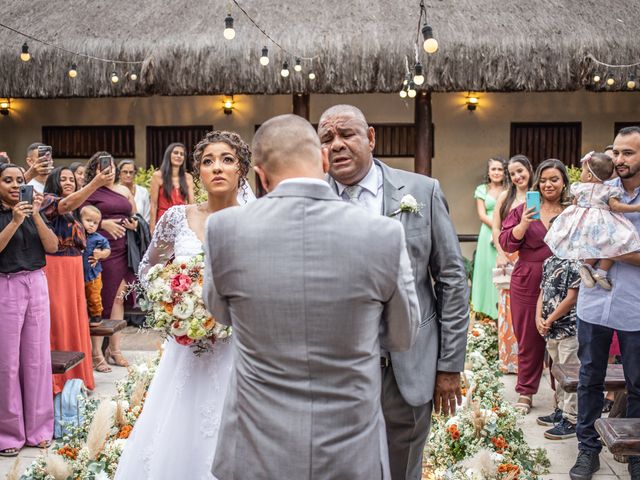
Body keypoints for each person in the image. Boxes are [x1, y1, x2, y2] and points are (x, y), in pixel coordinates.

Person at [205, 114, 419, 480]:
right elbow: (402, 335)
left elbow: (221, 311)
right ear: (322, 160)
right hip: (349, 449)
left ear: (260, 173)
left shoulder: (225, 229)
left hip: (256, 447)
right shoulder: (383, 234)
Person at [319, 104, 469, 480]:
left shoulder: (422, 191)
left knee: (402, 469)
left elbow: (450, 279)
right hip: (333, 371)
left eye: (346, 134)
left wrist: (449, 366)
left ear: (370, 137)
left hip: (405, 368)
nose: (337, 145)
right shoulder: (309, 201)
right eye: (327, 138)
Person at [114, 130, 253, 479]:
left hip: (241, 347)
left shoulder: (258, 218)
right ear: (199, 173)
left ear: (241, 170)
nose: (217, 168)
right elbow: (148, 269)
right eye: (208, 162)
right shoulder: (177, 217)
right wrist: (172, 305)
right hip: (186, 348)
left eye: (227, 160)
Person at [570, 126, 640, 480]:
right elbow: (579, 243)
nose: (619, 159)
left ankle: (637, 456)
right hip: (594, 302)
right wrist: (621, 250)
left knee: (638, 384)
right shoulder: (598, 190)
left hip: (635, 307)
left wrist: (610, 249)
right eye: (616, 152)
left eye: (628, 153)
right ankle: (587, 451)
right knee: (589, 379)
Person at [499, 159, 569, 414]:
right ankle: (526, 392)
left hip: (563, 282)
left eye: (555, 179)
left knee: (563, 339)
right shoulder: (523, 210)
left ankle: (561, 395)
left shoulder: (571, 211)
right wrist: (524, 224)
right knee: (528, 337)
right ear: (537, 182)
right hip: (528, 278)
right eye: (544, 179)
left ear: (563, 183)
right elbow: (507, 244)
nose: (549, 184)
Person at [0, 163, 58, 456]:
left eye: (19, 180)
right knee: (7, 363)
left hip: (36, 283)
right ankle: (8, 435)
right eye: (7, 180)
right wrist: (13, 221)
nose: (14, 185)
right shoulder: (5, 216)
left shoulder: (34, 213)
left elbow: (53, 246)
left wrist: (34, 215)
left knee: (37, 359)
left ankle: (39, 430)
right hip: (4, 286)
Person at [41, 165, 113, 393]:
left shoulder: (77, 208)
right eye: (63, 178)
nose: (69, 181)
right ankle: (58, 380)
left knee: (75, 317)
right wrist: (96, 183)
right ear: (54, 181)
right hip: (56, 265)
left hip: (74, 266)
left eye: (71, 178)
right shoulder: (48, 200)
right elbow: (65, 205)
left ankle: (78, 376)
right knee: (60, 318)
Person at [545, 151, 640, 290]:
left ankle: (587, 265)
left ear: (589, 176)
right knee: (612, 246)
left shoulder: (579, 187)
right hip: (602, 223)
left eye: (583, 171)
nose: (581, 174)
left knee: (588, 246)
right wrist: (635, 208)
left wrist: (567, 222)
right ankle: (601, 272)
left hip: (584, 225)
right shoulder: (609, 190)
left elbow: (575, 204)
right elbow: (616, 207)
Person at [83, 152, 137, 370]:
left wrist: (132, 222)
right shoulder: (90, 190)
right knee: (101, 298)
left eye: (113, 165)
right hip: (101, 248)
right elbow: (80, 214)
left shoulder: (122, 190)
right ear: (95, 169)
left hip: (123, 248)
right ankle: (96, 352)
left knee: (118, 298)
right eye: (104, 166)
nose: (110, 169)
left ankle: (114, 349)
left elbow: (133, 212)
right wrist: (103, 223)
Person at [535, 222, 581, 440]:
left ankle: (572, 418)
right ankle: (561, 410)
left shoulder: (576, 263)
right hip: (550, 329)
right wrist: (539, 318)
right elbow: (542, 293)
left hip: (568, 329)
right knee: (557, 371)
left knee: (570, 372)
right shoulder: (549, 262)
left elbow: (572, 298)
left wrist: (550, 319)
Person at [492, 155, 534, 374]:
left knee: (532, 313)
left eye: (521, 171)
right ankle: (511, 361)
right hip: (509, 257)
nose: (518, 176)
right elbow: (496, 229)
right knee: (509, 312)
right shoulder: (505, 197)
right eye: (513, 173)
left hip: (532, 258)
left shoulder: (538, 194)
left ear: (529, 168)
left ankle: (533, 362)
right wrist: (501, 254)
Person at [472, 157, 506, 319]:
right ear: (488, 172)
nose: (497, 172)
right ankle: (485, 313)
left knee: (503, 270)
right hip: (487, 233)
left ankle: (502, 310)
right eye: (494, 169)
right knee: (487, 270)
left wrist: (503, 231)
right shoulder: (481, 189)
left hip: (506, 232)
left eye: (500, 169)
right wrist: (496, 229)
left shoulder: (508, 189)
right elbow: (481, 214)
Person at [149, 143, 194, 233]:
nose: (179, 156)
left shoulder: (188, 177)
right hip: (163, 221)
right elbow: (153, 205)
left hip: (182, 222)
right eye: (176, 153)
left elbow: (191, 204)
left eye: (182, 154)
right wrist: (152, 228)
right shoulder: (158, 176)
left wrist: (192, 225)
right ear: (168, 155)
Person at [80, 205, 111, 327]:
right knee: (80, 297)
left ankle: (96, 315)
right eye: (88, 221)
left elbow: (107, 251)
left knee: (94, 296)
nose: (92, 225)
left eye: (95, 223)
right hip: (78, 274)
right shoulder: (76, 235)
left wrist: (100, 254)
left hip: (93, 274)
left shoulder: (99, 239)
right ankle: (83, 316)